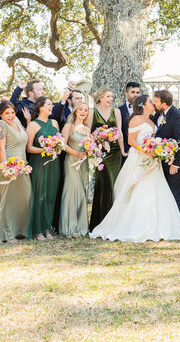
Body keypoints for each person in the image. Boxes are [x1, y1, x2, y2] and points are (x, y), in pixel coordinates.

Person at [89, 95, 180, 242]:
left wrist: (156, 150)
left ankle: (156, 224)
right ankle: (135, 225)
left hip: (154, 160)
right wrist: (146, 150)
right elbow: (131, 140)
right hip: (140, 158)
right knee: (139, 189)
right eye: (151, 102)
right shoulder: (136, 119)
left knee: (156, 190)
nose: (153, 104)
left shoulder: (154, 119)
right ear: (143, 105)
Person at [0, 100, 32, 242]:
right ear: (1, 114)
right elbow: (1, 148)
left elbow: (24, 139)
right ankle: (6, 233)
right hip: (8, 164)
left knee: (24, 196)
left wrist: (28, 120)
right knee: (8, 199)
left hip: (22, 164)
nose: (10, 116)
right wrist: (5, 168)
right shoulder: (1, 125)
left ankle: (20, 230)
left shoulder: (17, 122)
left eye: (12, 112)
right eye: (6, 113)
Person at [87, 87, 126, 230]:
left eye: (111, 96)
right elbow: (88, 133)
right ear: (100, 98)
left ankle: (114, 221)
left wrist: (123, 152)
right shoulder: (92, 112)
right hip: (100, 153)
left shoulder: (116, 112)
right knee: (103, 184)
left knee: (113, 184)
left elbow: (119, 132)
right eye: (108, 96)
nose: (110, 99)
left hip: (115, 152)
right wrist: (98, 138)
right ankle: (100, 221)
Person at [26, 96, 63, 240]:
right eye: (48, 104)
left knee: (50, 195)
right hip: (39, 163)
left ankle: (47, 228)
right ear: (40, 106)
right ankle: (37, 230)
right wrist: (45, 150)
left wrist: (58, 148)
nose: (51, 106)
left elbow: (59, 141)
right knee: (39, 195)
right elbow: (29, 148)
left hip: (54, 163)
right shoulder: (33, 125)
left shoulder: (54, 123)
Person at [152, 89, 180, 215]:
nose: (153, 103)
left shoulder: (178, 116)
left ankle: (177, 224)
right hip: (164, 162)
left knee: (176, 194)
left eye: (156, 101)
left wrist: (176, 164)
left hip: (176, 164)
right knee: (166, 194)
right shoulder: (159, 115)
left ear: (164, 104)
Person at [59, 102, 92, 238]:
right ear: (75, 111)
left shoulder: (87, 130)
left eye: (86, 110)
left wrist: (91, 152)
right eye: (81, 109)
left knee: (82, 191)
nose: (83, 112)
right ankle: (70, 227)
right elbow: (62, 144)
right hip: (72, 162)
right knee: (73, 191)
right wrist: (76, 153)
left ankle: (81, 226)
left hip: (83, 164)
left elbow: (90, 146)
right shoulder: (68, 126)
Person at [118, 81, 142, 163]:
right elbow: (119, 131)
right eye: (133, 92)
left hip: (142, 150)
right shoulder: (119, 110)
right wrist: (125, 150)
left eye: (137, 92)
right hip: (127, 152)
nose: (135, 94)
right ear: (126, 93)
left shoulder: (143, 109)